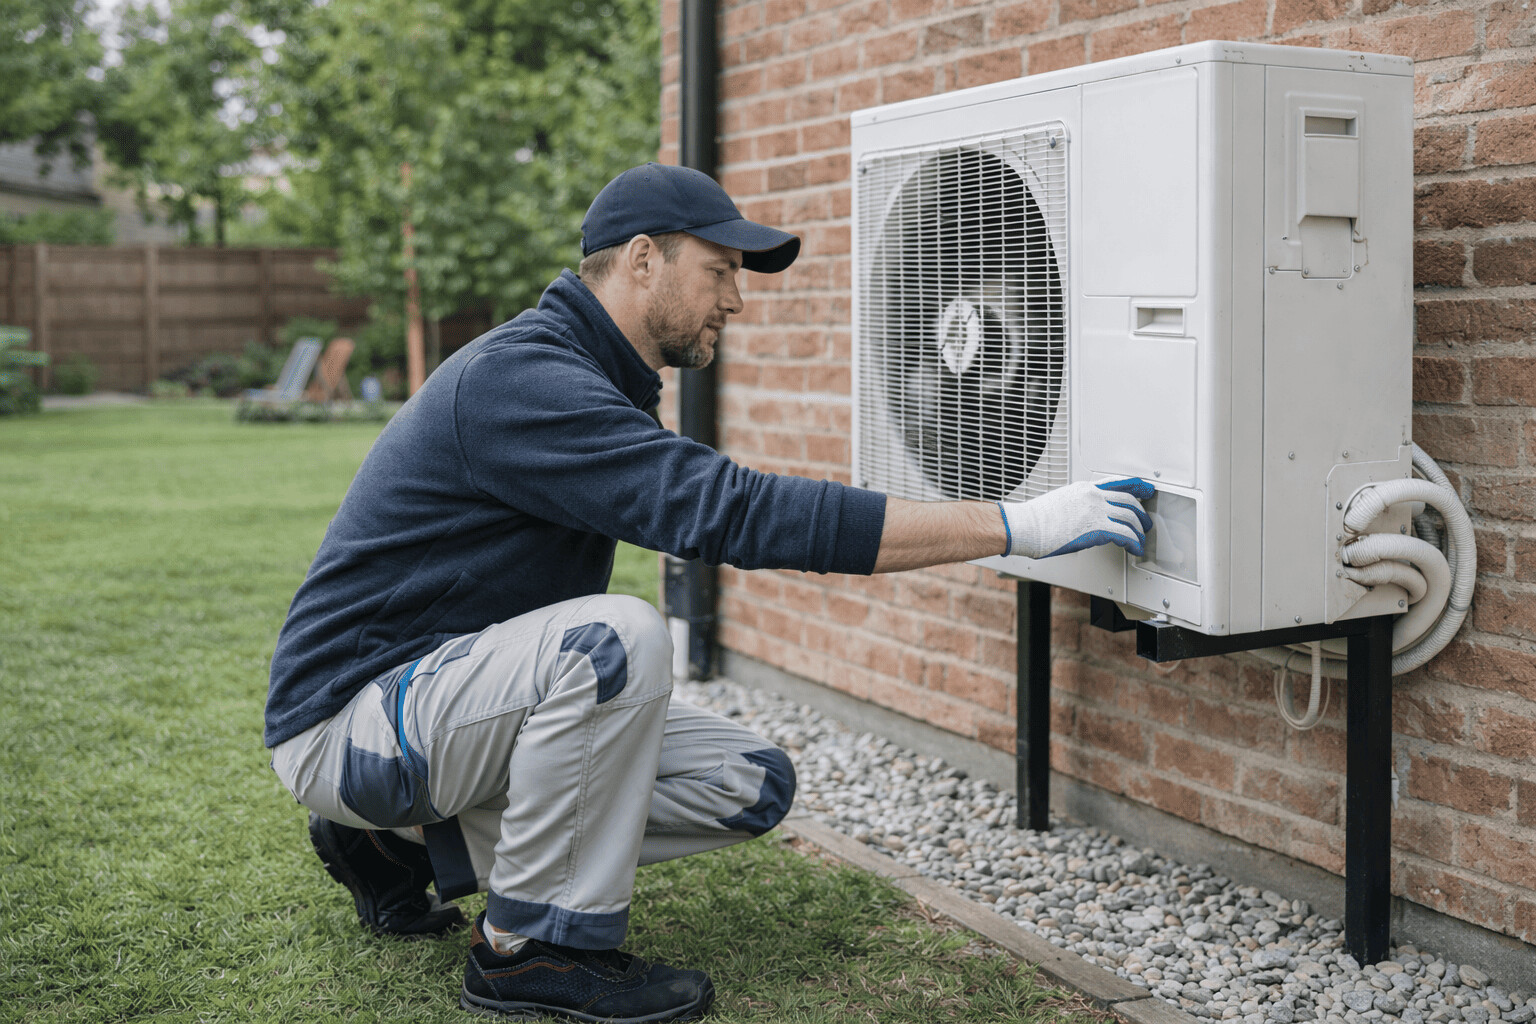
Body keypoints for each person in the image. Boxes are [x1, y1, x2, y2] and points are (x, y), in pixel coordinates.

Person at [264, 162, 1152, 1023]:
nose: (736, 297)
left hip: (442, 715)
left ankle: (398, 844)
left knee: (746, 782)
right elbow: (733, 512)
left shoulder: (593, 377)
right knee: (612, 641)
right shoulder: (526, 381)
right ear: (643, 259)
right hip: (352, 723)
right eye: (720, 270)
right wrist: (1016, 525)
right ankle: (531, 952)